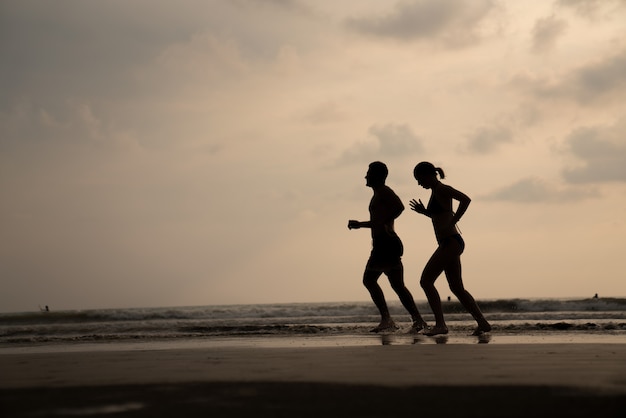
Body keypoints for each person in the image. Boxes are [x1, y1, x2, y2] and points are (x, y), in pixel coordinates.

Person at [409, 161, 491, 336]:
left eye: (419, 179)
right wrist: (424, 212)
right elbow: (440, 213)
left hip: (451, 242)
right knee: (456, 287)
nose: (419, 183)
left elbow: (465, 199)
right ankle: (482, 323)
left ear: (428, 175)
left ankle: (440, 325)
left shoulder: (442, 189)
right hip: (450, 243)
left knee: (426, 281)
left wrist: (454, 222)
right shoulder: (435, 192)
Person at [348, 161, 427, 333]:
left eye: (368, 172)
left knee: (369, 280)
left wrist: (384, 222)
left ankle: (387, 319)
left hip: (385, 243)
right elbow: (378, 221)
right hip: (385, 243)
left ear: (377, 175)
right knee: (397, 285)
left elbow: (399, 207)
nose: (365, 176)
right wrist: (360, 224)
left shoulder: (384, 191)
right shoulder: (378, 194)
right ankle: (417, 320)